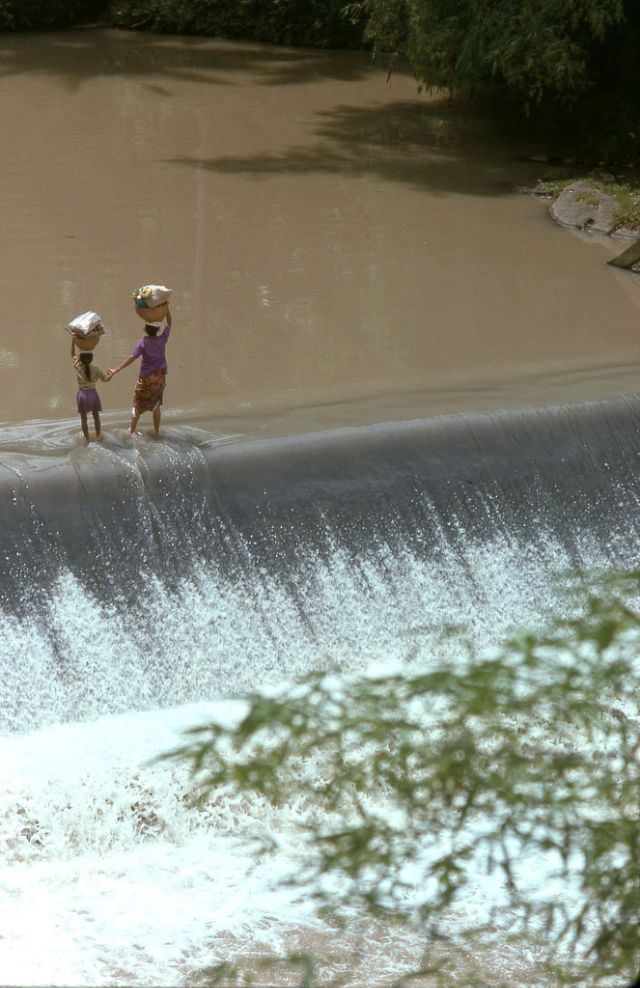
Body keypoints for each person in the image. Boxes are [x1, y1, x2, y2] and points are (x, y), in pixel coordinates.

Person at [108, 307, 172, 436]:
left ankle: (131, 431)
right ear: (157, 330)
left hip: (146, 379)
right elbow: (169, 323)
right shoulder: (162, 340)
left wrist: (116, 369)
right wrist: (166, 308)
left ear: (146, 330)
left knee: (137, 404)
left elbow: (132, 358)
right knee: (156, 405)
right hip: (160, 378)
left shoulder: (141, 343)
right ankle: (156, 431)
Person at [71, 338, 111, 443]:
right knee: (96, 417)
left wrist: (73, 341)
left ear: (81, 358)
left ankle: (87, 439)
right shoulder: (96, 369)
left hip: (82, 395)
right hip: (93, 394)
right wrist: (111, 374)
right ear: (91, 358)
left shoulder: (77, 367)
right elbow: (105, 379)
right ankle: (98, 436)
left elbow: (72, 354)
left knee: (84, 419)